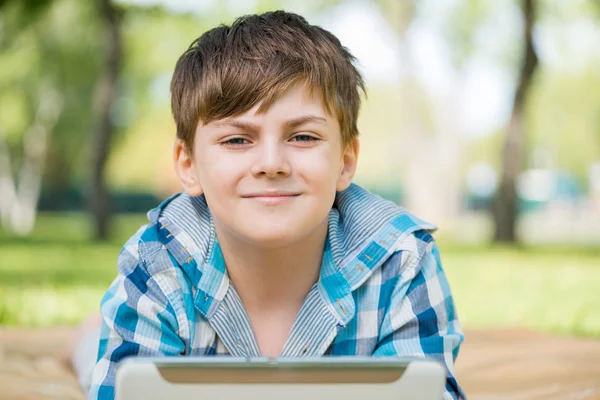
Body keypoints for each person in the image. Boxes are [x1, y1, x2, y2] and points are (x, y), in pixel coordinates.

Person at [72, 10, 465, 400]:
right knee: (96, 361)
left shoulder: (402, 260)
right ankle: (89, 338)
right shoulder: (158, 264)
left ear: (345, 161)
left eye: (304, 137)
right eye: (238, 141)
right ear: (189, 166)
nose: (272, 164)